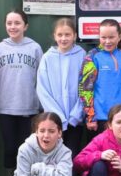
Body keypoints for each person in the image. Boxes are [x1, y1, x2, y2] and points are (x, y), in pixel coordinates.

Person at [0, 9, 43, 172]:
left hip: (29, 107)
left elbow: (41, 79)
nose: (13, 27)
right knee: (10, 148)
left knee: (27, 149)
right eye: (9, 23)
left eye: (17, 23)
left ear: (25, 26)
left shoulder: (35, 48)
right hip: (5, 107)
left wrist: (39, 104)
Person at [36, 17, 87, 158]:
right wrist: (57, 116)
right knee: (52, 158)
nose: (63, 38)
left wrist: (76, 115)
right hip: (53, 122)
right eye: (60, 35)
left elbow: (86, 87)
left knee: (72, 156)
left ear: (74, 36)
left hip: (75, 121)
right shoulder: (47, 58)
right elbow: (42, 90)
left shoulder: (82, 55)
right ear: (54, 36)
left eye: (67, 34)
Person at [79, 18, 121, 132]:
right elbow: (85, 88)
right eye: (103, 37)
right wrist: (90, 116)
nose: (107, 41)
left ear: (119, 37)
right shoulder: (92, 56)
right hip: (101, 118)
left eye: (111, 37)